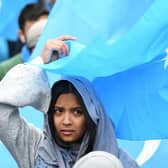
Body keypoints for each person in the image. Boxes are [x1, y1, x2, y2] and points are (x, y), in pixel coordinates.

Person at [0, 63, 139, 168]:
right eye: (58, 111)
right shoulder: (36, 148)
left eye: (77, 112)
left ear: (91, 115)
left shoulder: (118, 161)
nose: (66, 121)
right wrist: (41, 63)